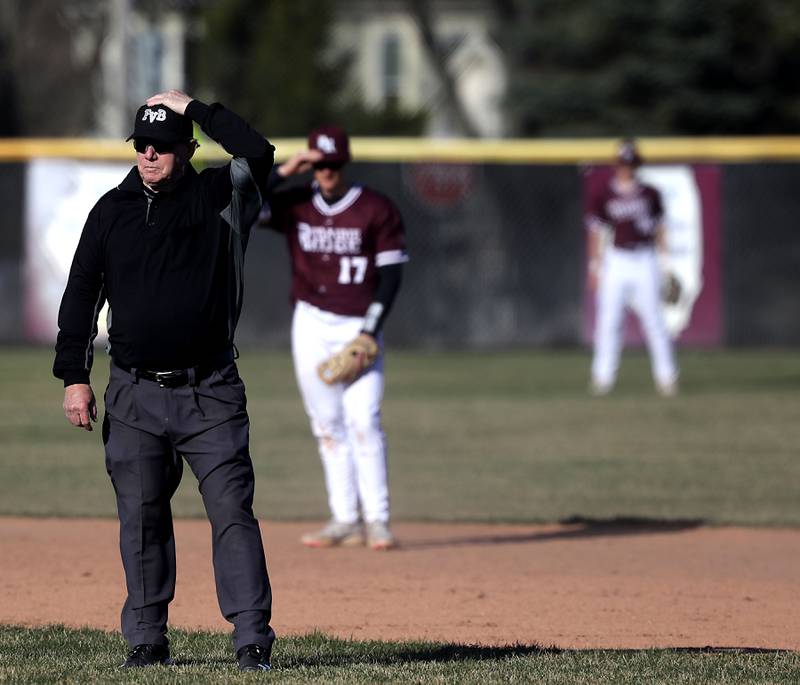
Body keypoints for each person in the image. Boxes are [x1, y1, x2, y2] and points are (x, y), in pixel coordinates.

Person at [54, 90, 275, 672]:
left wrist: (199, 106)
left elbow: (260, 151)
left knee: (232, 512)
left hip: (211, 390)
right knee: (142, 515)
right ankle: (147, 639)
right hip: (132, 393)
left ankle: (252, 640)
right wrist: (75, 375)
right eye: (141, 145)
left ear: (188, 148)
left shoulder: (220, 195)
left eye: (162, 146)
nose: (149, 155)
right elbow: (81, 295)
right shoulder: (111, 210)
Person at [258, 125, 407, 550]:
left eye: (332, 164)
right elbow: (243, 202)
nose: (326, 172)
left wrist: (369, 332)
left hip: (358, 325)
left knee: (364, 420)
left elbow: (392, 276)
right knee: (326, 424)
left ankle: (377, 519)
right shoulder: (297, 204)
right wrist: (285, 170)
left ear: (344, 163)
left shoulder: (375, 208)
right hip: (310, 323)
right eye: (319, 164)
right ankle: (344, 518)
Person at [586, 139, 679, 397]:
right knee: (608, 322)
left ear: (636, 165)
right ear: (616, 165)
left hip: (644, 258)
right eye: (623, 164)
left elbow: (660, 228)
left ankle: (667, 377)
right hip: (617, 260)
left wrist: (666, 264)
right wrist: (595, 266)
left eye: (631, 164)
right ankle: (602, 378)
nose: (627, 169)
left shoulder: (650, 193)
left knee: (655, 321)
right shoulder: (604, 194)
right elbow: (596, 230)